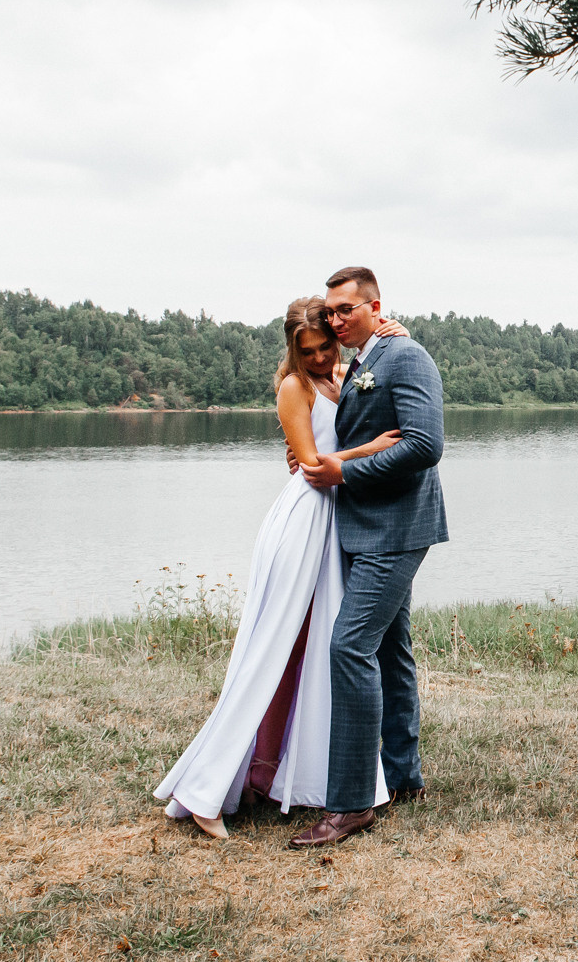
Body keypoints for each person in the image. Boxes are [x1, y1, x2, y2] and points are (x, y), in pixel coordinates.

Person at [152, 296, 406, 839]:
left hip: (335, 523)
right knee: (272, 648)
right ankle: (205, 791)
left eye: (324, 346)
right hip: (304, 520)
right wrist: (371, 449)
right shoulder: (294, 386)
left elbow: (370, 370)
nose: (317, 358)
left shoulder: (344, 376)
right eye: (306, 351)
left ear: (336, 336)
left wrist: (393, 333)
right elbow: (311, 465)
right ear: (293, 349)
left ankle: (295, 776)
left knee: (317, 652)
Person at [286, 265, 449, 849]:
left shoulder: (406, 357)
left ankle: (351, 804)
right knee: (388, 650)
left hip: (396, 528)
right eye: (330, 311)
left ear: (375, 307)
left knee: (349, 646)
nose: (335, 320)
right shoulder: (361, 360)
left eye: (345, 310)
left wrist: (345, 471)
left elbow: (425, 444)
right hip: (364, 527)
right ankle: (403, 778)